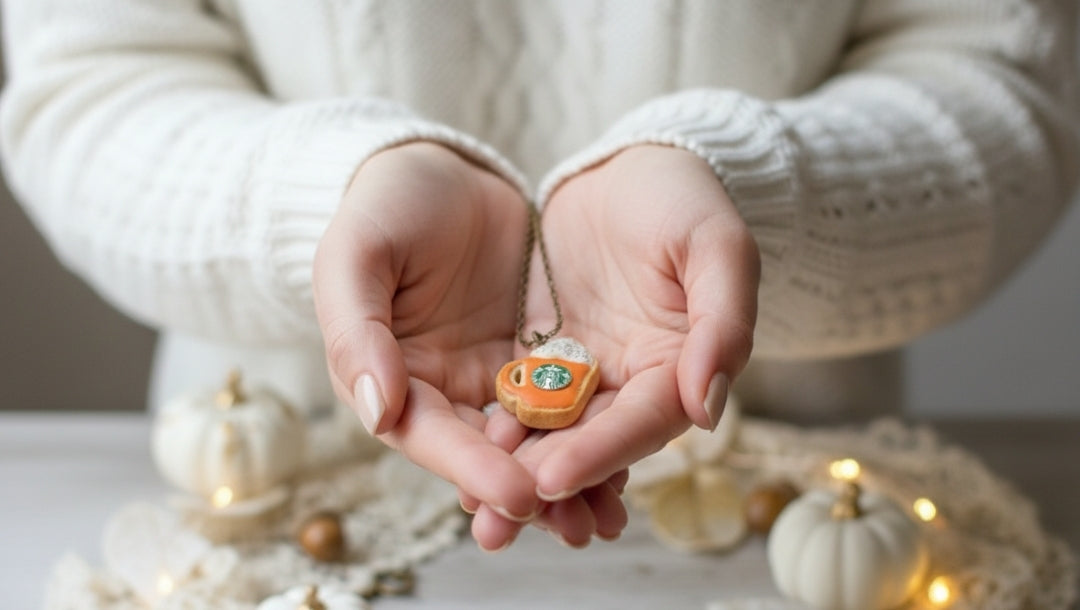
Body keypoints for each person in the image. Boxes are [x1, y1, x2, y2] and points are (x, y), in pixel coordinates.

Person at [2, 1, 1077, 553]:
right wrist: (329, 193)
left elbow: (1009, 79)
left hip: (806, 515)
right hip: (275, 504)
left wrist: (738, 191)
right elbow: (85, 86)